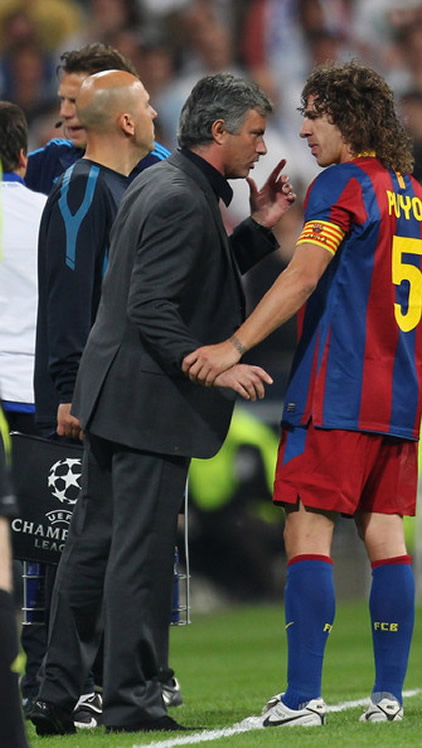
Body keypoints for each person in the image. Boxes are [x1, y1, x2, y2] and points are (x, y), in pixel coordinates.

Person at [182, 60, 422, 725]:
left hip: (334, 391)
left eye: (313, 114)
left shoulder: (342, 184)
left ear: (348, 119)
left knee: (307, 531)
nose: (301, 128)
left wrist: (234, 345)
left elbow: (303, 277)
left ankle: (304, 698)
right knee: (385, 537)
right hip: (396, 399)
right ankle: (388, 697)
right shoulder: (415, 195)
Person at [31, 71, 294, 735]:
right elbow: (152, 305)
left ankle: (56, 694)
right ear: (220, 131)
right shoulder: (179, 195)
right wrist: (211, 367)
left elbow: (183, 278)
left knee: (93, 547)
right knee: (138, 554)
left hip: (115, 391)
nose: (262, 148)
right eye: (255, 133)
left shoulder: (163, 180)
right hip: (146, 400)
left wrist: (258, 231)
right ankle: (131, 698)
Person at [30, 68, 157, 732]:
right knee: (85, 544)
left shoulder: (121, 187)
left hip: (107, 393)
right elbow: (71, 292)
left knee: (97, 542)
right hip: (86, 397)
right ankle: (65, 687)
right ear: (127, 121)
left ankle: (78, 687)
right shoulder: (82, 186)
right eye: (145, 102)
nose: (155, 108)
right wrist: (71, 390)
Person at [0, 100, 48, 721]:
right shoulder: (48, 214)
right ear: (22, 156)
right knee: (45, 547)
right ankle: (44, 675)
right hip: (39, 400)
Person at [24, 42, 170, 196]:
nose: (64, 112)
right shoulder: (51, 160)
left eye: (76, 101)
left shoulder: (159, 175)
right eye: (63, 100)